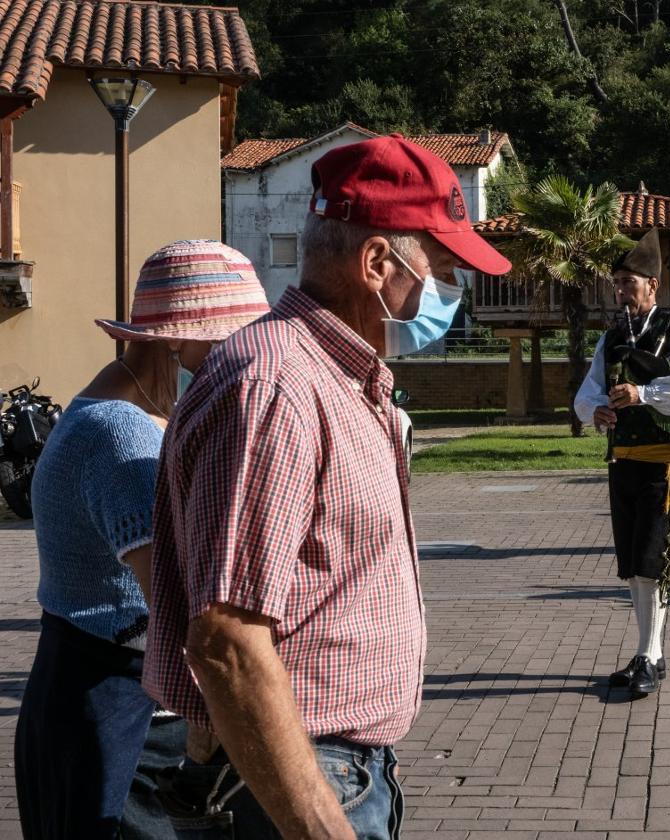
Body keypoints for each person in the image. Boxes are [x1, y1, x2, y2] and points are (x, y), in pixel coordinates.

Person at [142, 136, 512, 837]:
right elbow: (225, 641)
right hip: (304, 780)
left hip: (330, 769)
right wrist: (321, 826)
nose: (451, 294)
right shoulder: (279, 386)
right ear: (377, 262)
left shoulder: (333, 377)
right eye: (443, 268)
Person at [15, 240, 269, 840]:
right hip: (117, 713)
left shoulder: (101, 412)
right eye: (232, 344)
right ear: (178, 341)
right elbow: (176, 607)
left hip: (86, 693)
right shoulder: (124, 438)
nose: (241, 363)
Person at [574, 228, 670, 698]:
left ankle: (648, 655)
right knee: (634, 564)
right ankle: (650, 653)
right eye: (616, 283)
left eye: (628, 282)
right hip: (622, 463)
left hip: (664, 465)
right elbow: (588, 389)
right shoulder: (614, 337)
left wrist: (646, 393)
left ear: (653, 284)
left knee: (654, 562)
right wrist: (593, 409)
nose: (621, 291)